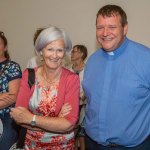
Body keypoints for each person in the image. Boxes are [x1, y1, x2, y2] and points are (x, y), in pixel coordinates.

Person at [82, 4, 150, 150]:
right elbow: (90, 103)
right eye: (100, 27)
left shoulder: (146, 59)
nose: (105, 33)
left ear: (125, 28)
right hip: (92, 143)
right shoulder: (92, 61)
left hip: (133, 147)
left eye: (112, 27)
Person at [10, 26, 80, 150]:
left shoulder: (71, 79)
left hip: (61, 146)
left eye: (60, 50)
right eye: (50, 49)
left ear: (65, 53)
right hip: (31, 145)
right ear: (41, 51)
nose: (55, 55)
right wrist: (57, 120)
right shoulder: (28, 75)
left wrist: (31, 118)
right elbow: (19, 118)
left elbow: (68, 124)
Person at [0, 31, 22, 150]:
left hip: (7, 116)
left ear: (5, 47)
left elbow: (13, 96)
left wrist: (6, 96)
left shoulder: (12, 66)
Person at [70, 45, 88, 150]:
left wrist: (82, 98)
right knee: (72, 132)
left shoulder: (88, 69)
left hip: (83, 104)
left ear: (81, 54)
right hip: (69, 105)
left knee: (81, 132)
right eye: (72, 51)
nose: (71, 53)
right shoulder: (68, 69)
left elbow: (89, 87)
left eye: (74, 51)